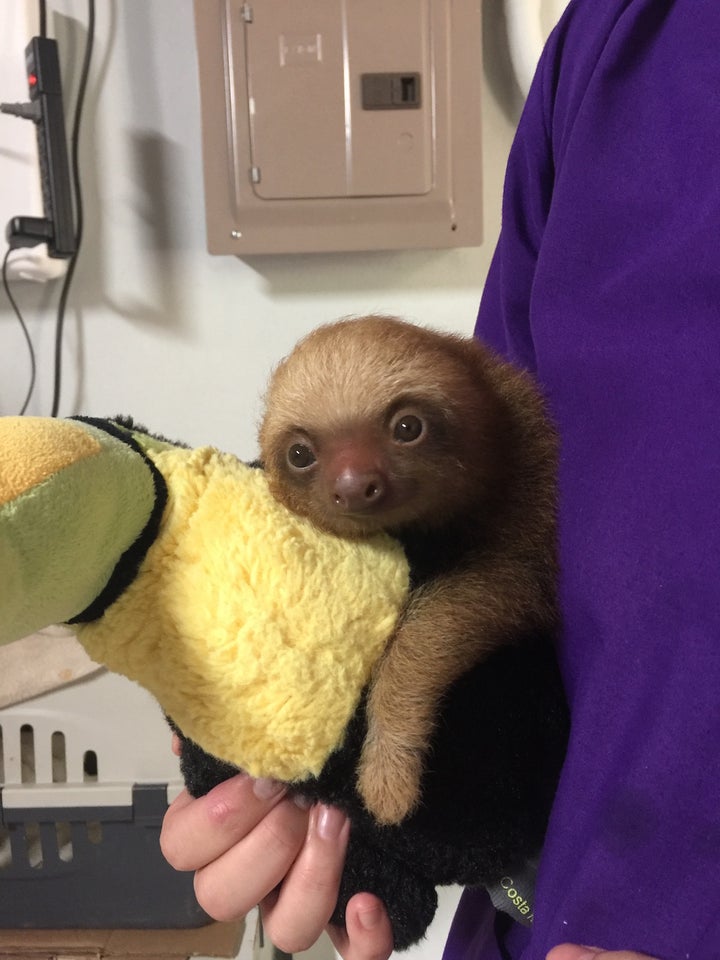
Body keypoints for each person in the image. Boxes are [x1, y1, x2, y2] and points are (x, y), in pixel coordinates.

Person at [160, 0, 720, 957]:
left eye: (403, 430)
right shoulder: (621, 37)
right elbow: (542, 563)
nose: (354, 481)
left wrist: (398, 716)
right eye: (307, 460)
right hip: (546, 903)